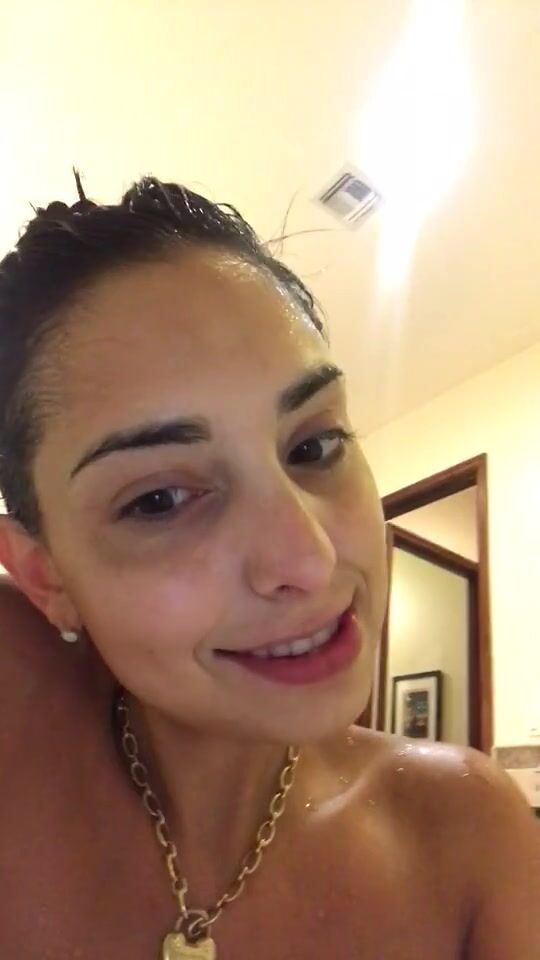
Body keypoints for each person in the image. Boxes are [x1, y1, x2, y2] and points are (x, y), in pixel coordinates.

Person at [0, 176, 537, 960]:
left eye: (314, 446)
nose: (309, 560)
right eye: (159, 499)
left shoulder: (467, 835)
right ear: (44, 574)